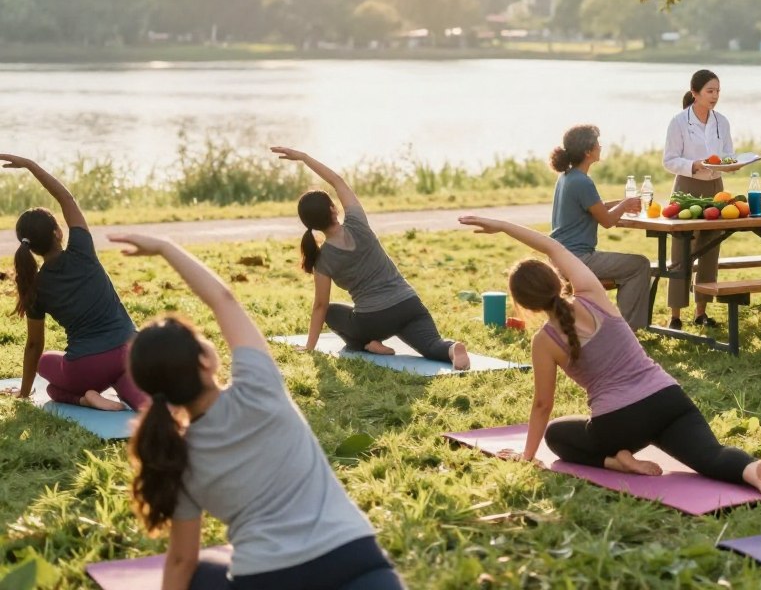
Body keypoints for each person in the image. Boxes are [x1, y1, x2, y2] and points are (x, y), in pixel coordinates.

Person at [116, 233, 404, 590]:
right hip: (353, 562)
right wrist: (165, 247)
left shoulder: (175, 455)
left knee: (204, 567)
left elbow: (180, 561)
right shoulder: (258, 387)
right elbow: (223, 300)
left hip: (266, 578)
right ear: (205, 361)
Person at [457, 214, 761, 496]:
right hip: (667, 398)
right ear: (557, 280)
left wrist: (528, 455)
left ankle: (616, 459)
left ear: (525, 305)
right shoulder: (592, 293)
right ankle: (754, 469)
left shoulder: (545, 342)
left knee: (557, 434)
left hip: (618, 423)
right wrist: (501, 225)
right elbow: (552, 246)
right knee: (711, 456)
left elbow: (543, 405)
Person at [274, 147, 469, 369]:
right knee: (432, 345)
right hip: (409, 304)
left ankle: (368, 343)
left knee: (332, 311)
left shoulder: (323, 260)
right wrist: (304, 158)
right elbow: (338, 181)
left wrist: (310, 345)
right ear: (333, 209)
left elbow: (320, 306)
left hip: (374, 320)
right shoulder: (358, 223)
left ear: (310, 224)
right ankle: (452, 349)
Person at [1, 154, 145, 412]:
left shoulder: (36, 287)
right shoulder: (82, 249)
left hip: (89, 367)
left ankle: (86, 399)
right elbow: (66, 198)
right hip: (133, 350)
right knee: (132, 385)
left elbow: (34, 346)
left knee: (49, 371)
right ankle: (141, 399)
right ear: (58, 232)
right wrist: (31, 166)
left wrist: (24, 393)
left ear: (30, 248)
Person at [549, 124, 651, 329]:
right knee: (639, 265)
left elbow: (596, 208)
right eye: (597, 142)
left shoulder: (568, 177)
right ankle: (629, 330)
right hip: (578, 258)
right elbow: (606, 221)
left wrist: (623, 203)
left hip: (560, 255)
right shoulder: (582, 182)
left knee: (634, 265)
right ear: (588, 151)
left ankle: (618, 327)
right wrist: (624, 205)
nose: (600, 145)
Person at [662, 68, 733, 329]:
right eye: (709, 91)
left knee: (710, 249)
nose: (714, 96)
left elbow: (727, 154)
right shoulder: (679, 122)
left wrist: (731, 164)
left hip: (716, 187)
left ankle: (701, 312)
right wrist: (694, 165)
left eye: (717, 91)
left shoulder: (722, 122)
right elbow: (669, 160)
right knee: (682, 252)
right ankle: (675, 316)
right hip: (686, 189)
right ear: (695, 93)